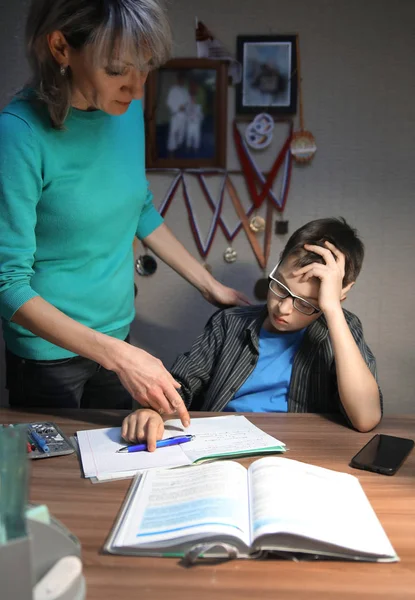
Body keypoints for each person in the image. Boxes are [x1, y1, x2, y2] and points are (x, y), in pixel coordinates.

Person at [0, 0, 249, 419]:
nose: (137, 89)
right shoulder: (19, 134)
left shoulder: (126, 111)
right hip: (47, 357)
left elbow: (139, 208)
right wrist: (119, 356)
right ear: (61, 48)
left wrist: (210, 287)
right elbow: (7, 284)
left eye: (145, 66)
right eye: (117, 70)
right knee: (59, 481)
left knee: (116, 467)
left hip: (116, 337)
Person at [123, 218, 383, 448]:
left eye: (305, 303)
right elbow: (181, 385)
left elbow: (366, 418)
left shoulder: (342, 328)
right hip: (222, 445)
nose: (283, 308)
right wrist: (153, 412)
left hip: (299, 450)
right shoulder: (229, 322)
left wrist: (332, 309)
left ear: (340, 296)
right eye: (280, 286)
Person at [166, 71, 190, 154]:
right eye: (180, 79)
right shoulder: (173, 89)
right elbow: (169, 102)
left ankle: (179, 147)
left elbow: (188, 102)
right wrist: (177, 107)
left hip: (184, 115)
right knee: (173, 133)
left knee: (182, 132)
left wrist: (185, 107)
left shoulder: (185, 90)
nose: (182, 81)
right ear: (178, 79)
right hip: (175, 115)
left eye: (183, 80)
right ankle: (171, 150)